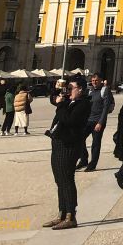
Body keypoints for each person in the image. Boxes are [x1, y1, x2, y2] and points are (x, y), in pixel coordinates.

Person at [46, 76, 92, 230]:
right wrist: (58, 89)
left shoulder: (83, 104)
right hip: (58, 143)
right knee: (59, 180)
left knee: (66, 180)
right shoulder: (69, 101)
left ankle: (71, 216)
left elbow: (69, 120)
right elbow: (53, 98)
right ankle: (62, 212)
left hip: (69, 145)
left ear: (80, 89)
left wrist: (60, 106)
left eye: (71, 88)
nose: (68, 91)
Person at [78, 73, 115, 171]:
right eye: (93, 80)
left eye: (96, 80)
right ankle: (84, 160)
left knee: (96, 143)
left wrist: (100, 122)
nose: (94, 82)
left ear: (101, 81)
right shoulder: (90, 90)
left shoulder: (105, 90)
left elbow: (106, 108)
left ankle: (92, 164)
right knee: (79, 138)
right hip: (88, 120)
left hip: (98, 121)